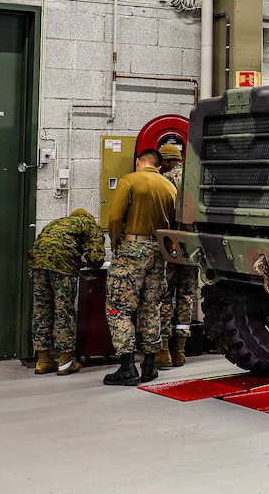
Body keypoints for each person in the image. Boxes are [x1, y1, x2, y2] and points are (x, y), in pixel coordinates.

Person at [103, 148, 176, 386]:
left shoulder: (129, 180)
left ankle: (127, 367)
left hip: (132, 249)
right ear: (157, 165)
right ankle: (149, 366)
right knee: (151, 307)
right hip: (158, 252)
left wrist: (116, 244)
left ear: (138, 162)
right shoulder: (169, 187)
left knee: (119, 307)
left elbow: (114, 218)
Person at [27, 209, 105, 376]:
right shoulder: (90, 225)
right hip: (62, 266)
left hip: (38, 262)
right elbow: (97, 258)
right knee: (64, 312)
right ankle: (65, 362)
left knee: (42, 311)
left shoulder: (58, 222)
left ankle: (43, 360)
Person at [155, 142, 198, 369]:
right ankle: (180, 351)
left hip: (171, 246)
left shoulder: (165, 180)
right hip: (194, 247)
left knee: (164, 295)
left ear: (165, 161)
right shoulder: (195, 176)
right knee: (186, 296)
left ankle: (163, 351)